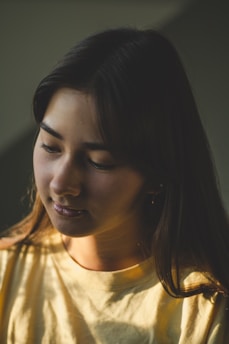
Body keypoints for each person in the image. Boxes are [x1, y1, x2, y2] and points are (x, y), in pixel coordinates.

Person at [0, 27, 228, 344]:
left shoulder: (204, 313)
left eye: (99, 162)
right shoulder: (7, 275)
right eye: (51, 146)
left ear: (157, 175)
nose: (62, 182)